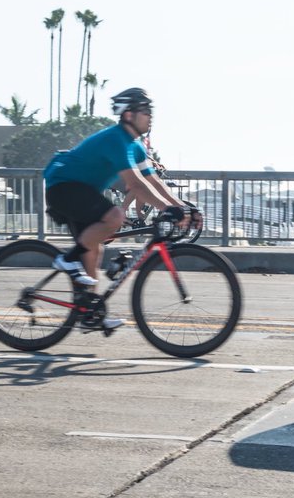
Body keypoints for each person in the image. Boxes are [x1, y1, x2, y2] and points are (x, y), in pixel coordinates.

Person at [43, 87, 192, 329]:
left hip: (81, 190)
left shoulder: (135, 145)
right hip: (64, 187)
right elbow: (135, 184)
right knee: (115, 216)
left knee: (93, 250)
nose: (151, 116)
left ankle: (88, 313)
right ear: (129, 115)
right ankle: (67, 259)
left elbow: (154, 181)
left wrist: (182, 207)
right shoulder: (116, 139)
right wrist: (166, 209)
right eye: (146, 111)